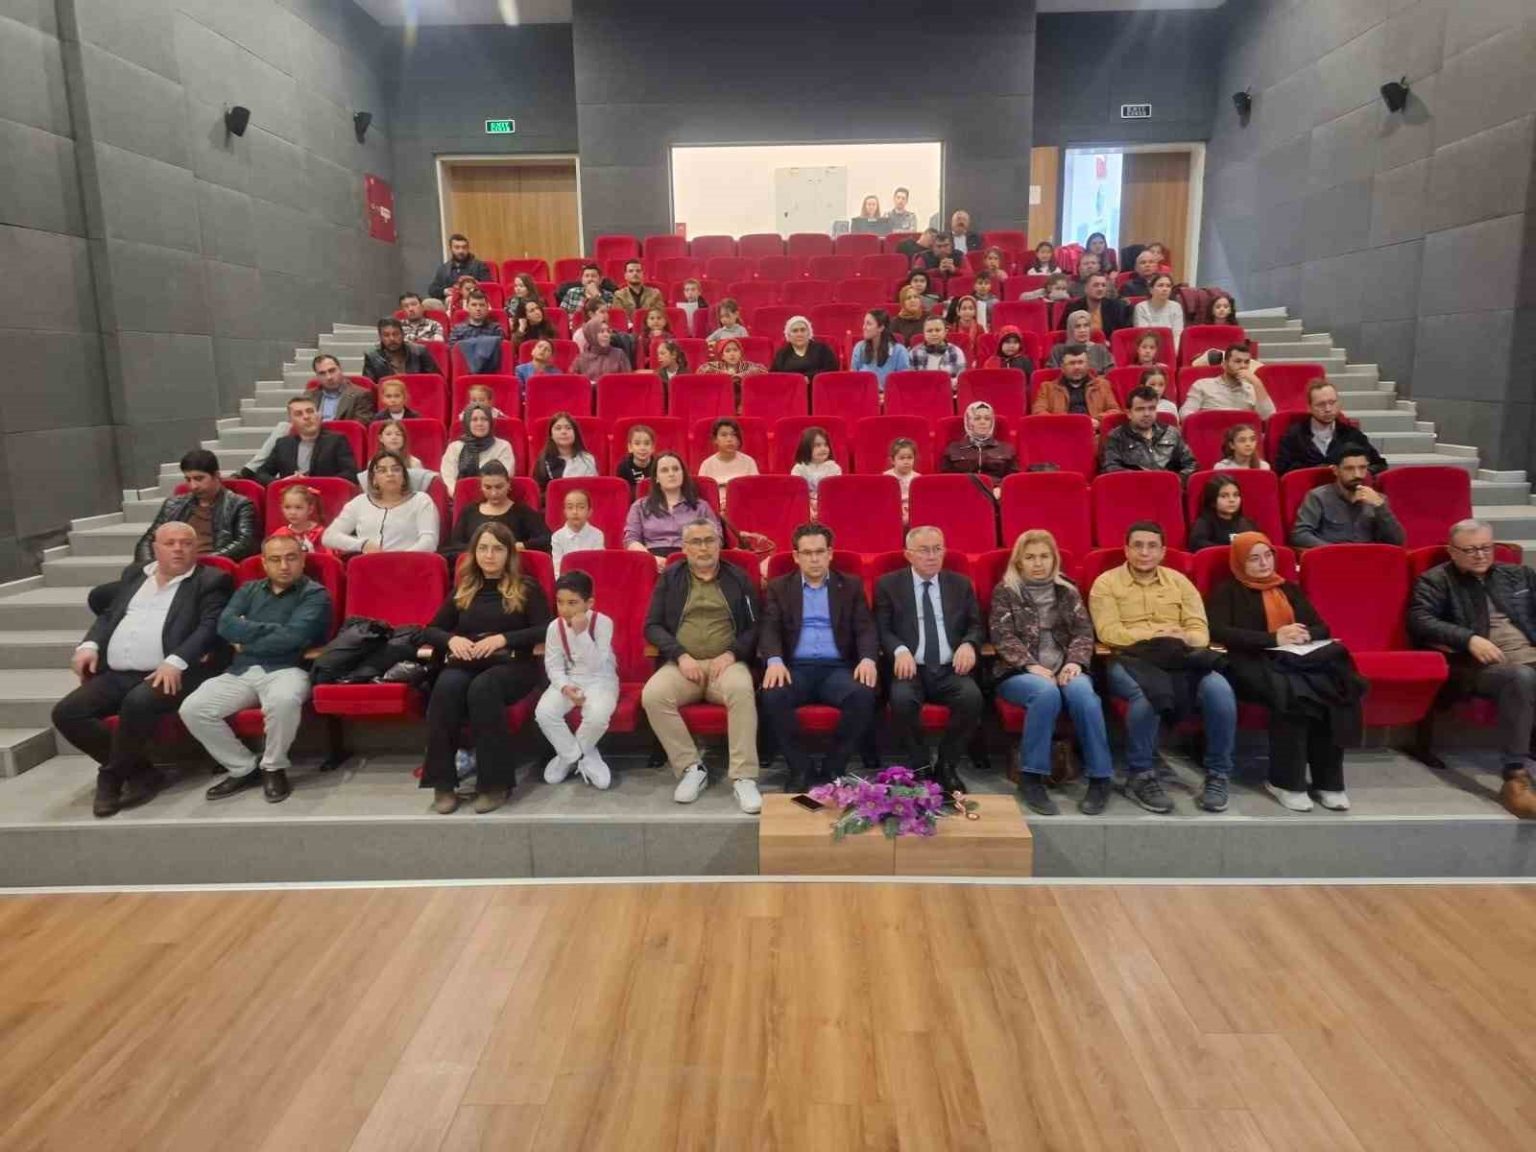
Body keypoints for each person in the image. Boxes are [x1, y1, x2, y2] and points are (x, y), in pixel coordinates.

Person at [52, 523, 233, 818]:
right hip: (118, 672)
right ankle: (140, 771)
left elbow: (209, 627)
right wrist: (90, 645)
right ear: (156, 548)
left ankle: (110, 778)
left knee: (138, 702)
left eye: (186, 543)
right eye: (170, 543)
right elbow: (110, 615)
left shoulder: (211, 580)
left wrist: (176, 661)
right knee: (67, 713)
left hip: (176, 671)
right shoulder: (135, 575)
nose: (178, 549)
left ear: (196, 548)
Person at [1208, 532, 1363, 813]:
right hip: (1249, 661)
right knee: (1292, 696)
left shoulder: (1288, 588)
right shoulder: (1227, 591)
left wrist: (1301, 634)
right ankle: (1286, 782)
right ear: (1240, 562)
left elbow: (1321, 627)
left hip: (1294, 659)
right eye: (1254, 558)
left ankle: (1328, 782)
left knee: (1330, 691)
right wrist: (1274, 638)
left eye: (1268, 556)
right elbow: (1219, 631)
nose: (1264, 563)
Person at [1090, 522, 1238, 814]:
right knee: (1147, 696)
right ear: (1126, 550)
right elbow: (1108, 632)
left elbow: (1200, 631)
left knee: (1220, 690)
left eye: (1152, 546)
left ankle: (1218, 774)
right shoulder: (1106, 583)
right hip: (1130, 658)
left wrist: (1184, 638)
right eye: (1138, 545)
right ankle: (1140, 774)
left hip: (1179, 656)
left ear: (1162, 551)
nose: (1145, 552)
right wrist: (1157, 636)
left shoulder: (1179, 582)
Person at [180, 534, 332, 805]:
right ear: (264, 563)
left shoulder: (315, 594)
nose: (283, 565)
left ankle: (273, 767)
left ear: (302, 560)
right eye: (275, 559)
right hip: (242, 669)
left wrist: (246, 635)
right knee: (193, 708)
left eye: (291, 558)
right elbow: (225, 625)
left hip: (289, 669)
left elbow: (294, 638)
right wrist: (273, 631)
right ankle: (243, 767)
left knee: (283, 701)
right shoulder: (248, 590)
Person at [1407, 519, 1536, 817]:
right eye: (1471, 549)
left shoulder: (1519, 575)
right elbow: (1420, 620)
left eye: (1486, 548)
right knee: (1521, 677)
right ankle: (1515, 777)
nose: (1480, 555)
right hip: (1476, 665)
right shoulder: (1435, 581)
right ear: (1452, 551)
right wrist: (1469, 639)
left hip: (1528, 653)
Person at [420, 523, 550, 814]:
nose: (489, 555)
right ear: (474, 553)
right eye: (483, 548)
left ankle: (494, 784)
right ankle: (442, 783)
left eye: (497, 549)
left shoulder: (526, 587)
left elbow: (546, 629)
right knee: (446, 687)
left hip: (514, 664)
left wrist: (503, 638)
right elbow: (431, 630)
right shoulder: (465, 589)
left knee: (483, 689)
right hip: (469, 661)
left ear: (509, 554)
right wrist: (452, 640)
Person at [641, 518, 763, 813]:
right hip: (684, 665)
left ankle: (744, 776)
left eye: (710, 540)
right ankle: (691, 768)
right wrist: (680, 655)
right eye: (696, 542)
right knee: (653, 695)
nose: (704, 547)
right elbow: (652, 626)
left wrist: (732, 653)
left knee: (741, 690)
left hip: (726, 665)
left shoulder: (738, 578)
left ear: (719, 544)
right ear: (684, 548)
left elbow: (756, 626)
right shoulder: (671, 578)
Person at [990, 530, 1114, 816]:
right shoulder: (1005, 591)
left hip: (1065, 667)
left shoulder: (1067, 590)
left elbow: (1083, 633)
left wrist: (1075, 662)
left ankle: (1100, 777)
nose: (1038, 563)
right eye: (1030, 557)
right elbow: (1002, 636)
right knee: (1045, 693)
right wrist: (1031, 665)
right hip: (1018, 671)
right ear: (1019, 561)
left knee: (1085, 696)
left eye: (1044, 556)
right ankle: (1032, 778)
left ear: (1054, 559)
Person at [759, 523, 879, 791]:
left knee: (862, 694)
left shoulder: (850, 585)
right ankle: (799, 769)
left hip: (837, 669)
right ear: (796, 556)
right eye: (807, 553)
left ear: (830, 553)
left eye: (820, 552)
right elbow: (769, 628)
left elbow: (865, 627)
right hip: (795, 668)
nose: (814, 559)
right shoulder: (780, 587)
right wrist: (774, 660)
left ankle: (834, 766)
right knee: (773, 694)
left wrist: (868, 659)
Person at [875, 525, 984, 793]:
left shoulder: (960, 584)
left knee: (971, 698)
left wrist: (969, 644)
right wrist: (899, 650)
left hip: (950, 668)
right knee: (901, 699)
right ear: (908, 554)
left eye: (937, 549)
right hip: (911, 668)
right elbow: (882, 628)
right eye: (924, 550)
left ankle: (947, 765)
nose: (932, 556)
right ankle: (920, 765)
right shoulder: (888, 585)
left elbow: (976, 625)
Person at [536, 569, 620, 790]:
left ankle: (570, 756)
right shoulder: (554, 627)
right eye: (560, 602)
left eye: (572, 603)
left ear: (589, 603)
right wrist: (565, 687)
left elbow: (596, 665)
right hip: (570, 678)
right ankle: (578, 756)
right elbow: (553, 665)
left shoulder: (603, 623)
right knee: (544, 713)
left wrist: (582, 634)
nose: (565, 609)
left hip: (601, 679)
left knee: (597, 715)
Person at [134, 450, 257, 566]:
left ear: (216, 476)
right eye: (188, 479)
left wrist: (200, 563)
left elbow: (244, 544)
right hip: (170, 566)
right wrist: (150, 566)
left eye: (199, 479)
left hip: (209, 568)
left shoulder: (239, 504)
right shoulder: (173, 504)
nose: (193, 486)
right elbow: (148, 541)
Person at [322, 450, 440, 554]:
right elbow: (329, 536)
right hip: (370, 566)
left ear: (404, 477)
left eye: (396, 469)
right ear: (374, 480)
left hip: (410, 565)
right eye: (382, 471)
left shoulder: (421, 500)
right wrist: (362, 544)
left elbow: (429, 542)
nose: (390, 474)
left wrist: (401, 558)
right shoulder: (359, 503)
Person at [1291, 443, 1406, 549]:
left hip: (1368, 557)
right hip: (1332, 557)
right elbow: (1300, 535)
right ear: (1335, 470)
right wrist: (1334, 551)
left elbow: (1396, 541)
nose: (1357, 474)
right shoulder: (1318, 496)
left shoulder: (1377, 499)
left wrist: (1380, 507)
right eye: (1349, 468)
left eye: (1362, 468)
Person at [624, 452, 721, 570]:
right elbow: (631, 540)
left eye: (675, 469)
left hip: (691, 561)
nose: (671, 474)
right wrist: (651, 560)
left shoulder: (701, 506)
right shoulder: (639, 506)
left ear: (683, 474)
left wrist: (693, 557)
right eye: (664, 470)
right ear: (656, 478)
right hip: (652, 561)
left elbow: (716, 537)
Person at [1273, 380, 1387, 475]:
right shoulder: (1294, 435)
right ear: (1309, 407)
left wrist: (1356, 472)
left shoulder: (1352, 434)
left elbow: (1380, 464)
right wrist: (1315, 471)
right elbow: (1281, 470)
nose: (1328, 409)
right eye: (1321, 404)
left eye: (1332, 403)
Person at [444, 461, 549, 562]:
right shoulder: (469, 512)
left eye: (499, 487)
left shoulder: (522, 511)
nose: (494, 493)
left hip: (511, 566)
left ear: (508, 485)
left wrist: (522, 545)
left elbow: (546, 539)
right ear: (481, 487)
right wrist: (479, 549)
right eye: (488, 487)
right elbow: (455, 545)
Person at [247, 395, 359, 485]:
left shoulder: (336, 440)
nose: (306, 417)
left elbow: (351, 473)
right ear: (291, 421)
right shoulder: (283, 444)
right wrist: (282, 482)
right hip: (291, 498)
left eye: (310, 411)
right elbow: (261, 474)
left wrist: (313, 482)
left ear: (318, 415)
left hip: (324, 494)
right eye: (298, 414)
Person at [1100, 386, 1196, 476]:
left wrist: (1176, 481)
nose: (1147, 414)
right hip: (1132, 486)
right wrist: (1143, 480)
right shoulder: (1117, 436)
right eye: (1140, 409)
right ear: (1129, 413)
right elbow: (1110, 468)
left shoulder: (1171, 433)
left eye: (1151, 408)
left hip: (1168, 486)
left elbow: (1191, 464)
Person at [1181, 343, 1276, 419]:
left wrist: (1257, 383)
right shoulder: (1202, 385)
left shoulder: (1252, 389)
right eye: (1238, 361)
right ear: (1224, 365)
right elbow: (1185, 414)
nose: (1243, 366)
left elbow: (1268, 416)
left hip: (1241, 435)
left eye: (1246, 362)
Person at [1033, 346, 1120, 428]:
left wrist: (1098, 420)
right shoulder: (1047, 388)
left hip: (1093, 432)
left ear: (1088, 365)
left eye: (1080, 362)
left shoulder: (1102, 385)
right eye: (1072, 363)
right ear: (1062, 367)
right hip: (1061, 432)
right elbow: (1038, 412)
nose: (1077, 367)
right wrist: (1063, 422)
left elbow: (1115, 411)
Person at [440, 403, 515, 489]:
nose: (479, 423)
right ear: (467, 422)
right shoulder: (454, 448)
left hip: (494, 494)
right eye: (474, 419)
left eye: (484, 419)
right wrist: (460, 494)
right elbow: (448, 479)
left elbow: (504, 478)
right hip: (460, 495)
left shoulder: (503, 446)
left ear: (490, 422)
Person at [941, 401, 1018, 482]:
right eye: (977, 418)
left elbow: (1013, 480)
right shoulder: (953, 448)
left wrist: (1000, 488)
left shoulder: (1007, 449)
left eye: (987, 419)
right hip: (964, 488)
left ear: (992, 422)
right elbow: (946, 480)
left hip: (996, 488)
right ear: (969, 421)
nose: (982, 422)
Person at [698, 416, 759, 507]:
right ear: (715, 440)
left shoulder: (749, 462)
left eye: (733, 435)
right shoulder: (707, 465)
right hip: (715, 508)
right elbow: (702, 496)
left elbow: (755, 492)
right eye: (724, 435)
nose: (729, 439)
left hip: (743, 507)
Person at [1188, 475, 1259, 551]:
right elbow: (1196, 543)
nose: (1232, 500)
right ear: (1212, 501)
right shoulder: (1204, 522)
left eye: (1236, 495)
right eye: (1224, 496)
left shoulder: (1246, 523)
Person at [533, 412, 600, 491]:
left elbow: (593, 490)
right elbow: (539, 491)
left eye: (568, 428)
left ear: (575, 433)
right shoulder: (543, 461)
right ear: (551, 435)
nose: (563, 432)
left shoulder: (587, 460)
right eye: (558, 428)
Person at [848, 309, 911, 394]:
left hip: (891, 398)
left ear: (881, 328)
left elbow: (904, 384)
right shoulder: (859, 348)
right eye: (864, 323)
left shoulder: (899, 351)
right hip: (864, 396)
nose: (864, 327)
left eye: (868, 324)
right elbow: (853, 380)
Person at [363, 318, 441, 383]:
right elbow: (369, 388)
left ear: (403, 334)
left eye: (396, 334)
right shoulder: (372, 357)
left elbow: (436, 381)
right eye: (386, 335)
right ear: (380, 338)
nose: (392, 339)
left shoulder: (419, 352)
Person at [448, 291, 505, 374]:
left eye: (482, 305)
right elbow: (454, 354)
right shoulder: (457, 330)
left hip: (490, 372)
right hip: (466, 373)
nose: (478, 309)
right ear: (467, 307)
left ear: (487, 307)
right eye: (474, 305)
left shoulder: (496, 329)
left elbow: (500, 355)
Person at [550, 488, 604, 576]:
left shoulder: (597, 535)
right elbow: (557, 569)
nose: (575, 512)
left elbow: (598, 566)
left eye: (581, 507)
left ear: (589, 512)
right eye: (570, 507)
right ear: (565, 512)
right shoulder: (557, 537)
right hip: (566, 581)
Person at [308, 354, 375, 422]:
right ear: (317, 376)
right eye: (322, 373)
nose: (329, 377)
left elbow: (359, 425)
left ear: (340, 369)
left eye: (332, 371)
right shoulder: (308, 396)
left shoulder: (361, 395)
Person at [427, 233, 493, 302]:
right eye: (457, 247)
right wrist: (444, 291)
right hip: (448, 300)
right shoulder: (443, 268)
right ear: (451, 249)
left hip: (473, 300)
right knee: (428, 302)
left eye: (464, 247)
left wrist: (472, 288)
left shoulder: (479, 265)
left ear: (468, 248)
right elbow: (432, 289)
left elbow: (489, 286)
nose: (461, 251)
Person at [790, 425, 842, 513]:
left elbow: (835, 493)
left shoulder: (834, 468)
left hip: (828, 506)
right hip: (804, 506)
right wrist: (809, 508)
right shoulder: (798, 468)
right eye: (818, 445)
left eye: (826, 445)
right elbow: (796, 493)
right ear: (806, 448)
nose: (823, 449)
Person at [1065, 273, 1134, 338]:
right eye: (1096, 285)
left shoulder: (1116, 307)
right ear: (1086, 288)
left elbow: (1121, 333)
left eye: (1103, 285)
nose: (1100, 289)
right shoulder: (1074, 308)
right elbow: (1067, 332)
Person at [771, 316, 839, 382]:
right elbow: (775, 376)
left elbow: (832, 370)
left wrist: (809, 378)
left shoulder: (822, 349)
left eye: (803, 330)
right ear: (788, 335)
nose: (799, 334)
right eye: (795, 331)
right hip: (791, 388)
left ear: (809, 333)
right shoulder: (782, 354)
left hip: (817, 388)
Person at [1046, 311, 1114, 374]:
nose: (1082, 330)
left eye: (1086, 325)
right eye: (1077, 326)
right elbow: (1052, 375)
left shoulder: (1100, 349)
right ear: (1070, 328)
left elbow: (1110, 374)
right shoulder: (1058, 351)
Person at [269, 484, 329, 553]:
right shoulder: (280, 535)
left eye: (298, 507)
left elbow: (329, 557)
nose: (292, 512)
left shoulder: (320, 534)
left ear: (310, 509)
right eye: (287, 507)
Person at [570, 317, 631, 382]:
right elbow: (573, 382)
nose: (606, 335)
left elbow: (627, 381)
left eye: (608, 331)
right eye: (601, 332)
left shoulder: (619, 355)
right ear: (592, 334)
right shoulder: (581, 359)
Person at [909, 315, 967, 382]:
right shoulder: (914, 353)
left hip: (948, 388)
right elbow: (911, 380)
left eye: (938, 330)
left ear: (945, 332)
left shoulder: (956, 352)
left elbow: (961, 380)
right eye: (929, 331)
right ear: (924, 333)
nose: (934, 334)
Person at [1132, 273, 1185, 339]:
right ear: (1151, 290)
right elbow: (1143, 336)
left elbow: (1178, 335)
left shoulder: (1176, 307)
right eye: (1160, 285)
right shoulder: (1141, 307)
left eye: (1168, 286)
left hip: (1171, 344)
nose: (1165, 289)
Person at [616, 423, 658, 497]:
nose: (642, 448)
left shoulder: (658, 465)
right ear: (630, 447)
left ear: (653, 448)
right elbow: (622, 494)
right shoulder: (623, 467)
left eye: (647, 444)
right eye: (637, 444)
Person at [700, 337, 766, 382]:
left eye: (735, 350)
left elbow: (762, 369)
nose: (732, 354)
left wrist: (738, 376)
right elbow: (703, 369)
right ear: (722, 356)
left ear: (740, 353)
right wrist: (725, 374)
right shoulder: (718, 365)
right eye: (728, 351)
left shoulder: (745, 365)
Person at [885, 437, 920, 523]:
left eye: (910, 458)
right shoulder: (886, 477)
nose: (906, 462)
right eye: (902, 458)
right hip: (893, 511)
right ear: (892, 460)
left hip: (913, 511)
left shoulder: (918, 478)